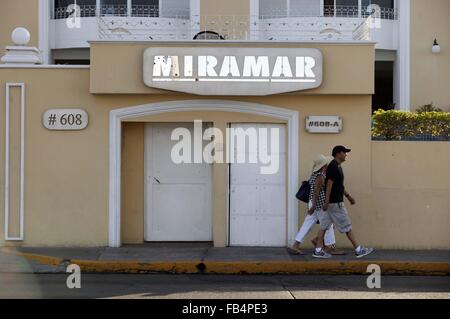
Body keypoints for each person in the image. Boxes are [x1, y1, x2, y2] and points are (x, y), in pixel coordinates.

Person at [313, 146, 374, 259]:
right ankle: (358, 249)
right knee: (347, 226)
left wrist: (348, 196)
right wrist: (327, 201)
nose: (346, 154)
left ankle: (317, 250)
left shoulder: (337, 166)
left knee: (323, 226)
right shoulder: (333, 167)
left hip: (332, 203)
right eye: (344, 152)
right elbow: (329, 184)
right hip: (335, 203)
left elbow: (339, 185)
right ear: (338, 154)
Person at [289, 154, 344, 255]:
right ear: (323, 166)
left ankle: (296, 244)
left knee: (308, 224)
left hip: (314, 204)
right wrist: (314, 206)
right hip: (318, 204)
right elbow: (316, 192)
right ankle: (329, 247)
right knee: (328, 224)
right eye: (326, 164)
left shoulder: (315, 174)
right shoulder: (320, 177)